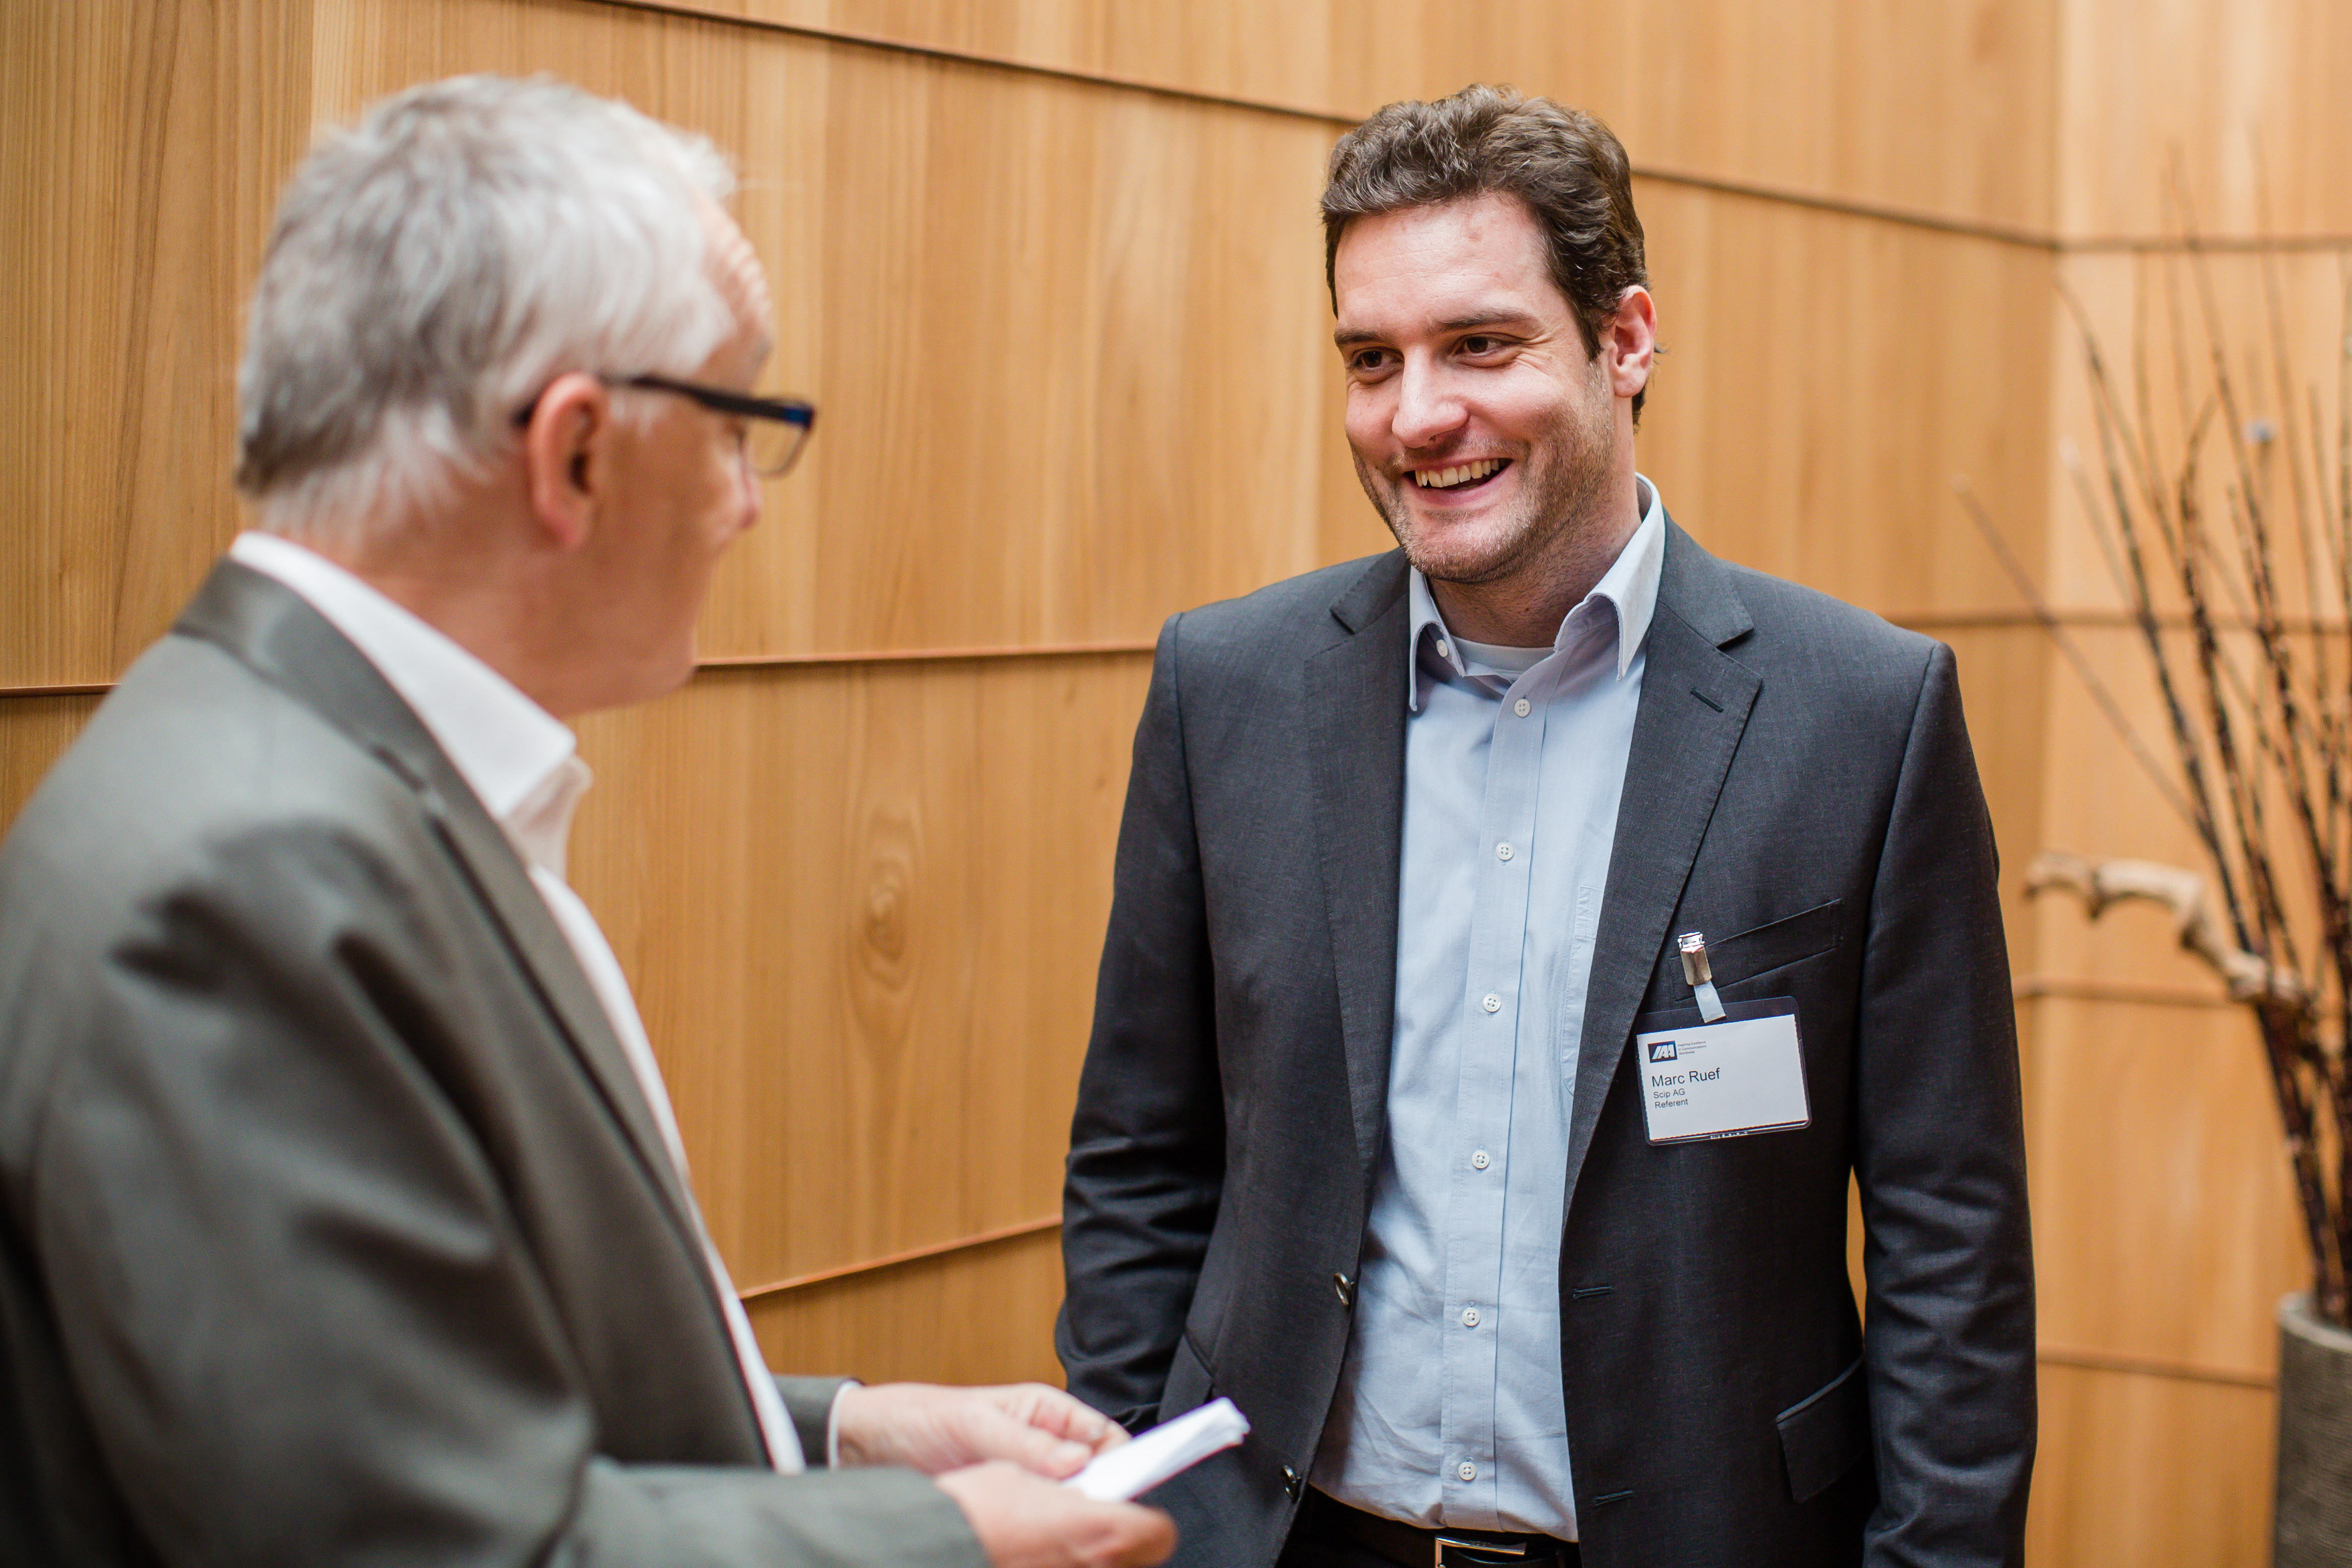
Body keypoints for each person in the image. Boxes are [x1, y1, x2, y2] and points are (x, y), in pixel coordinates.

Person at [0, 75, 1174, 1568]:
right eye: (740, 422)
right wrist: (944, 1543)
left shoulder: (310, 775)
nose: (748, 504)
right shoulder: (248, 885)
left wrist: (840, 1432)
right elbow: (411, 1546)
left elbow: (415, 1403)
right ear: (575, 453)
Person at [1056, 86, 2034, 1568]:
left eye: (1481, 345)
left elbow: (1950, 1250)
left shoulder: (1861, 717)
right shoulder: (1228, 689)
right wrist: (1124, 1514)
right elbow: (1141, 1161)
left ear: (1625, 341)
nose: (1416, 416)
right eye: (1372, 360)